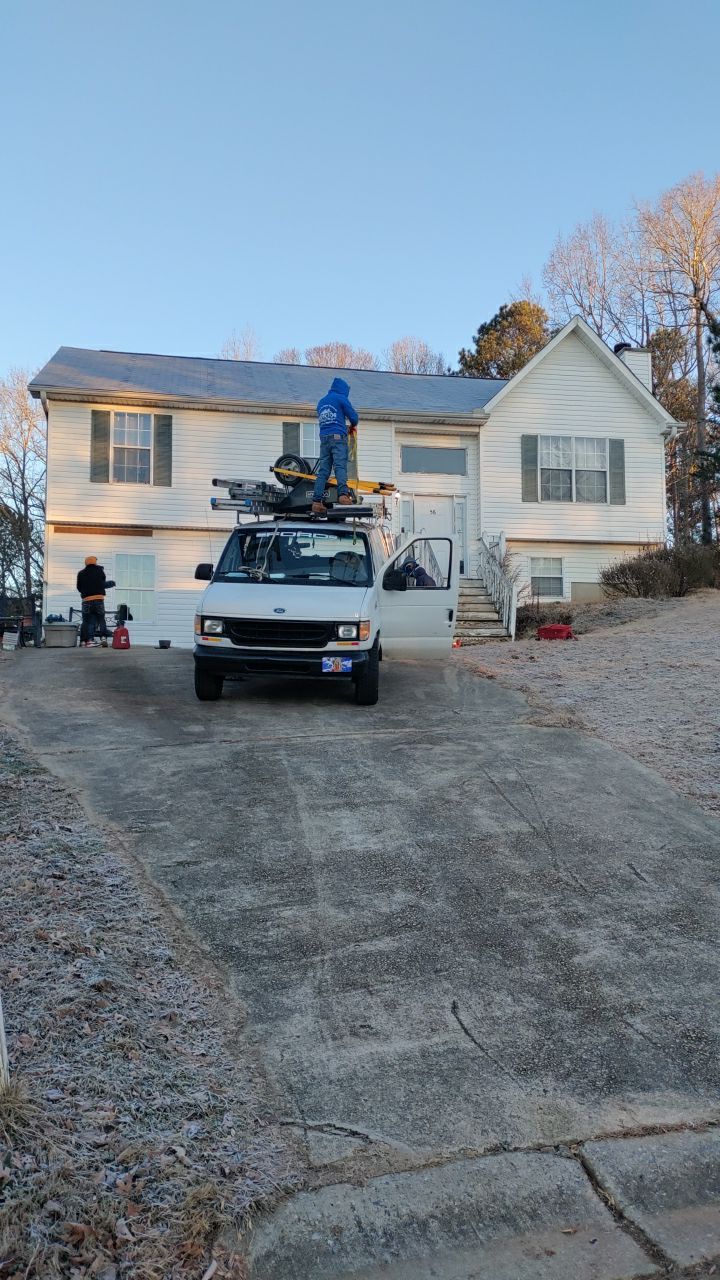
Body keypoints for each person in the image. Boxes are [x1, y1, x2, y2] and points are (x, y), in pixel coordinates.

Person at [311, 377, 359, 514]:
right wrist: (351, 426)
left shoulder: (321, 402)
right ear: (343, 390)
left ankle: (316, 502)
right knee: (340, 466)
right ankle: (343, 495)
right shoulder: (341, 398)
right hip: (338, 438)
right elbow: (354, 418)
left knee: (324, 471)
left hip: (324, 439)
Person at [76, 556, 114, 647]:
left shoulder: (81, 573)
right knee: (101, 619)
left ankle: (84, 641)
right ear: (94, 562)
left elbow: (79, 587)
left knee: (86, 621)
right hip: (98, 599)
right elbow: (102, 583)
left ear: (86, 563)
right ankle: (103, 637)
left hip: (86, 600)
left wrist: (86, 592)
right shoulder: (99, 571)